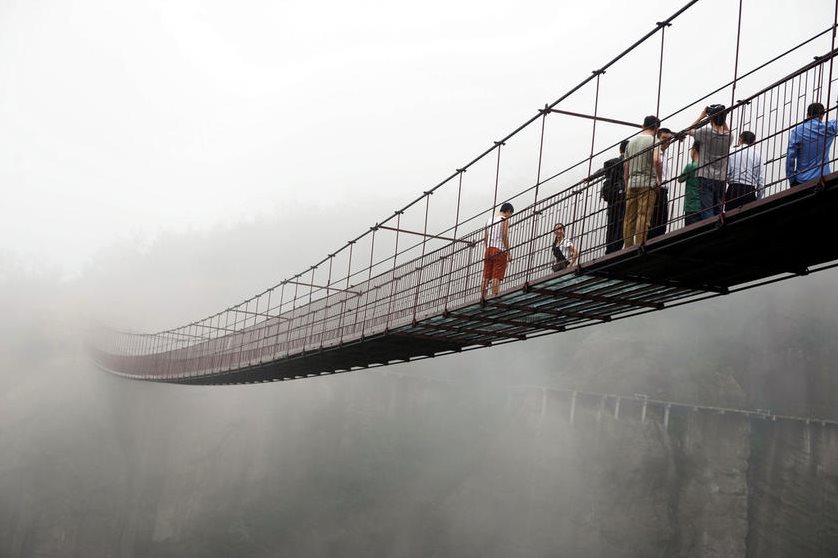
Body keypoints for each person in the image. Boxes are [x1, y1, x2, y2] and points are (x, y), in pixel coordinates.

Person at [623, 115, 662, 248]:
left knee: (629, 218)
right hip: (647, 183)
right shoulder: (654, 140)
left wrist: (626, 182)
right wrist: (659, 179)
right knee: (643, 216)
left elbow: (626, 166)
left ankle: (628, 246)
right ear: (657, 128)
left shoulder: (630, 142)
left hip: (631, 183)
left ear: (643, 125)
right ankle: (640, 244)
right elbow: (657, 160)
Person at [688, 104, 731, 219]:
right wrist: (722, 115)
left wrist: (702, 115)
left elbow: (690, 130)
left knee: (707, 210)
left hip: (705, 177)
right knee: (718, 209)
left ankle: (710, 232)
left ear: (711, 119)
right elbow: (727, 130)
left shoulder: (706, 132)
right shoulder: (729, 137)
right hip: (721, 178)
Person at [786, 102, 838, 186]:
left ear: (807, 115)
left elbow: (790, 157)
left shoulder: (797, 131)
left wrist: (792, 179)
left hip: (802, 180)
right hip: (823, 177)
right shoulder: (829, 128)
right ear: (822, 115)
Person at [600, 140, 629, 254]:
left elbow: (602, 171)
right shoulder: (628, 161)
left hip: (611, 197)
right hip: (621, 196)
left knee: (611, 223)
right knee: (621, 222)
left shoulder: (611, 163)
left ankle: (609, 248)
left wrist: (591, 177)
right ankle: (616, 247)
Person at [481, 202, 514, 298]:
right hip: (499, 250)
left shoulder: (489, 220)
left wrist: (488, 248)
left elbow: (485, 237)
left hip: (488, 249)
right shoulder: (504, 220)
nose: (509, 217)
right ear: (508, 211)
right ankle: (495, 296)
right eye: (510, 214)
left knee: (486, 276)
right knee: (497, 276)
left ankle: (483, 297)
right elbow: (504, 235)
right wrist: (508, 252)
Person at [726, 131, 763, 210]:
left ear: (740, 139)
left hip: (733, 189)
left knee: (730, 218)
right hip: (749, 190)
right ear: (753, 142)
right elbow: (760, 179)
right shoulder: (757, 155)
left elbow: (726, 173)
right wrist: (759, 198)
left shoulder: (731, 151)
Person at [648, 127, 674, 238]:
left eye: (669, 139)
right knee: (654, 221)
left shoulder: (665, 153)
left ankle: (658, 240)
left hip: (664, 190)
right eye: (663, 138)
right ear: (658, 138)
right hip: (656, 188)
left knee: (662, 221)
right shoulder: (655, 152)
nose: (666, 141)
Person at [678, 141, 702, 225]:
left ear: (693, 150)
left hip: (691, 206)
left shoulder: (690, 166)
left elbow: (680, 179)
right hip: (703, 205)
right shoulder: (707, 166)